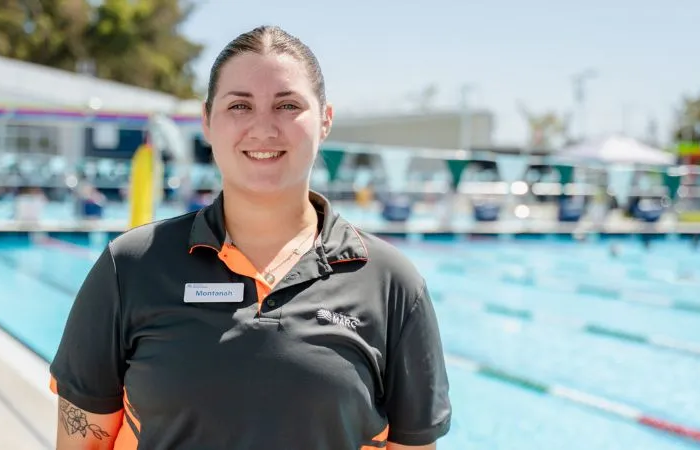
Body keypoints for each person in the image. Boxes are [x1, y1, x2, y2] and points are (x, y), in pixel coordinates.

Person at [49, 25, 452, 450]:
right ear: (207, 121)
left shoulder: (391, 285)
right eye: (240, 105)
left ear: (325, 120)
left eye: (288, 105)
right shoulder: (129, 268)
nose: (263, 128)